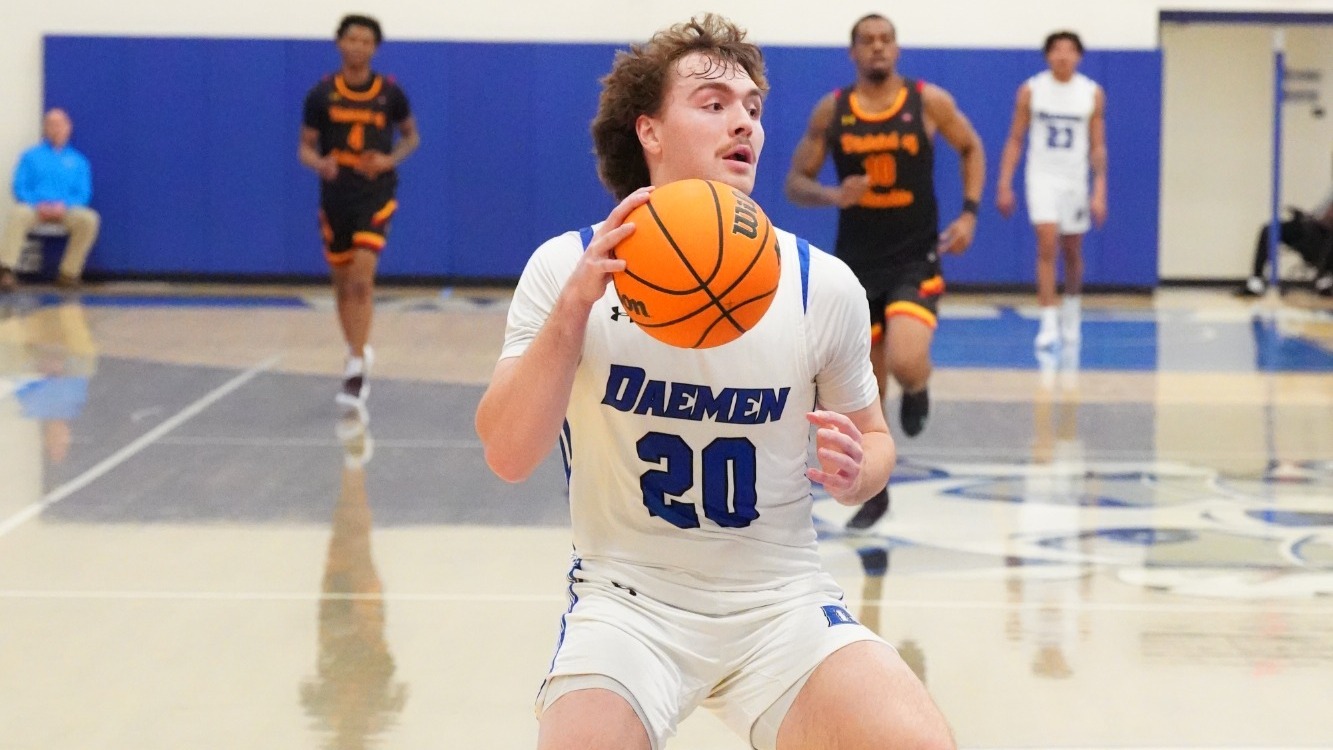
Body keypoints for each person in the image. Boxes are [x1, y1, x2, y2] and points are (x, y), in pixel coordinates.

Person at [475, 14, 954, 750]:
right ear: (650, 132)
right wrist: (573, 311)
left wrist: (860, 474)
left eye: (753, 108)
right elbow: (506, 455)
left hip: (779, 604)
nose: (744, 124)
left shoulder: (818, 284)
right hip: (626, 605)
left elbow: (874, 438)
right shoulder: (566, 268)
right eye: (713, 103)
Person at [785, 13, 985, 529]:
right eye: (867, 41)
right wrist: (832, 193)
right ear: (853, 52)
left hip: (915, 255)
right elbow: (795, 182)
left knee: (905, 358)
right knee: (864, 394)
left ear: (896, 49)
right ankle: (875, 493)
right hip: (856, 264)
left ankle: (918, 388)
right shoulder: (833, 110)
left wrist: (969, 213)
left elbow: (971, 147)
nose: (877, 48)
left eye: (886, 39)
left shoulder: (928, 101)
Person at [299, 14, 420, 410]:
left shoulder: (389, 93)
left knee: (361, 280)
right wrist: (321, 164)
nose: (358, 46)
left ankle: (355, 366)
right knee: (340, 281)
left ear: (374, 48)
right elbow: (305, 148)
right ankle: (354, 348)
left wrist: (389, 160)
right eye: (351, 39)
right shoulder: (321, 95)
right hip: (336, 197)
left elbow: (411, 137)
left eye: (366, 41)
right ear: (339, 43)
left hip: (376, 194)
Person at [996, 30, 1108, 349]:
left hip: (1075, 178)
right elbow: (1016, 138)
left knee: (1072, 249)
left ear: (1079, 56)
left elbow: (1098, 146)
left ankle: (1071, 310)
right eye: (1056, 49)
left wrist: (1100, 190)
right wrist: (1004, 182)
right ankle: (1047, 321)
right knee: (1046, 244)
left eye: (1069, 50)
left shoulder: (1091, 93)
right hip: (1041, 175)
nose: (1062, 55)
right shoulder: (1032, 90)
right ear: (1047, 55)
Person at [0, 108, 100, 291]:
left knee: (89, 219)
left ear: (69, 127)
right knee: (18, 213)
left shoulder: (79, 161)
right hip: (36, 208)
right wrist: (37, 204)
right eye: (51, 125)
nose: (56, 129)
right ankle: (6, 270)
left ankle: (68, 274)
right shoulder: (30, 156)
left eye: (60, 124)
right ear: (45, 129)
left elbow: (83, 193)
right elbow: (20, 186)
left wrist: (64, 206)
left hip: (66, 210)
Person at [1235, 189, 1333, 297]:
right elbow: (1319, 214)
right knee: (1270, 230)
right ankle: (1256, 283)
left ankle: (1325, 280)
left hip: (1324, 235)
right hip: (1311, 227)